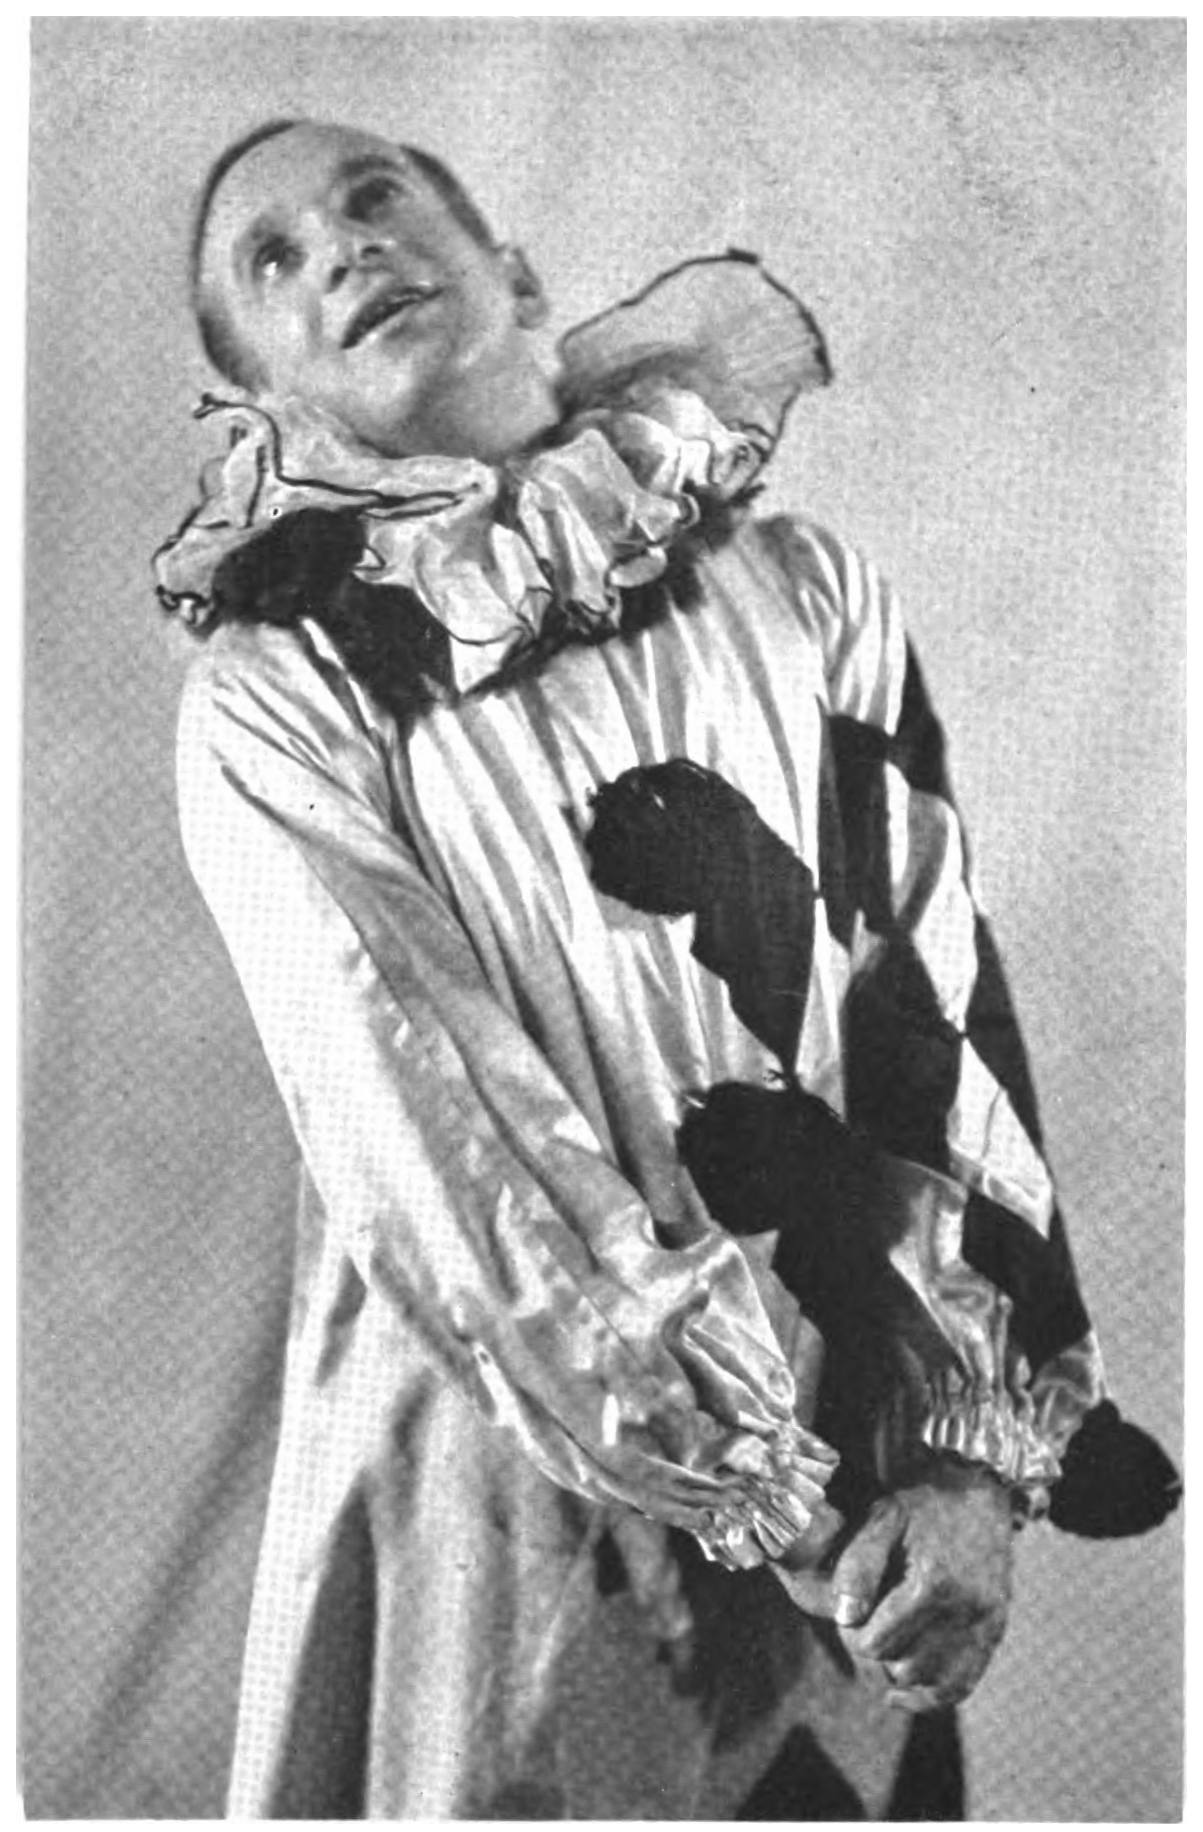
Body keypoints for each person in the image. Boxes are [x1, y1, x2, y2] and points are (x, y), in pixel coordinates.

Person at [155, 118, 1179, 1819]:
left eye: (375, 199)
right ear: (269, 402)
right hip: (516, 1507)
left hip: (876, 1489)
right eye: (273, 260)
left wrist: (959, 1459)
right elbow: (440, 1144)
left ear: (515, 275)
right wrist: (764, 1495)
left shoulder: (804, 587)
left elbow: (937, 1014)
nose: (340, 248)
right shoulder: (282, 705)